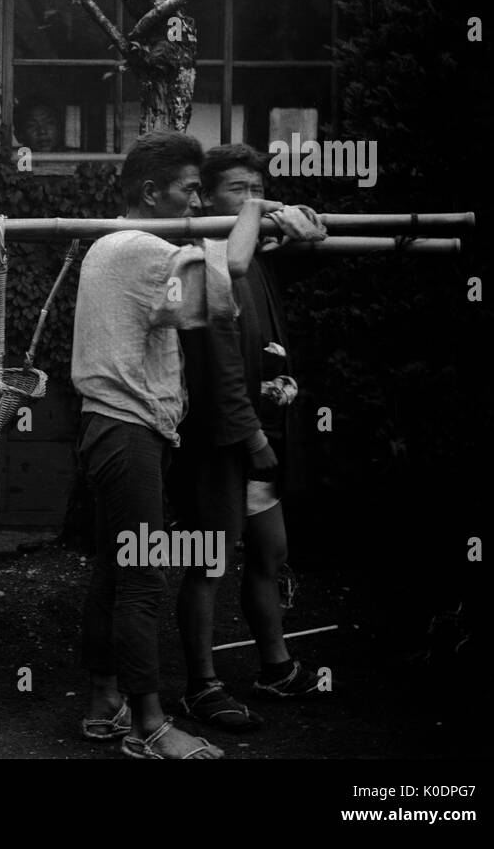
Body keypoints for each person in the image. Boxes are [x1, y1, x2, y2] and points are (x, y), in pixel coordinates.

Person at [71, 129, 288, 760]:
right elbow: (233, 273)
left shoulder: (123, 246)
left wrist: (259, 222)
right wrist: (252, 212)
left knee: (115, 573)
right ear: (150, 192)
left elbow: (195, 305)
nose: (198, 203)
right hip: (125, 430)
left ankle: (103, 704)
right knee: (141, 578)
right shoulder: (137, 247)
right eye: (191, 191)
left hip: (121, 428)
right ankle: (150, 726)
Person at [171, 143, 331, 732]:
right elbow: (216, 367)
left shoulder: (253, 251)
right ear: (207, 197)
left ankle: (275, 668)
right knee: (209, 562)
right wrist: (249, 437)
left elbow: (304, 258)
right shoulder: (206, 260)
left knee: (271, 551)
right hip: (221, 438)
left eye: (258, 188)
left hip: (263, 429)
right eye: (239, 189)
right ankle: (201, 687)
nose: (253, 200)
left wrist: (301, 227)